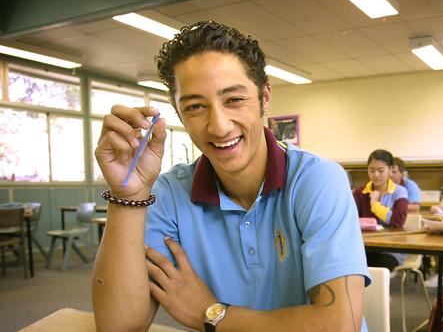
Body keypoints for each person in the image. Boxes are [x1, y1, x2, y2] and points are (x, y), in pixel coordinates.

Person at [92, 21, 370, 332]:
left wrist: (212, 314)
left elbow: (339, 326)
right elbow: (119, 327)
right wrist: (129, 195)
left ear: (264, 98)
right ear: (179, 113)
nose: (219, 126)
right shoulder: (168, 193)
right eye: (196, 106)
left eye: (234, 99)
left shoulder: (318, 180)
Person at [353, 149, 408, 270]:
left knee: (377, 266)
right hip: (366, 245)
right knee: (351, 263)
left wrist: (375, 205)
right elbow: (352, 219)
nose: (376, 175)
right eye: (371, 170)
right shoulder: (360, 192)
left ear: (390, 170)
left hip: (392, 249)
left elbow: (399, 221)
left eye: (381, 170)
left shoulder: (399, 191)